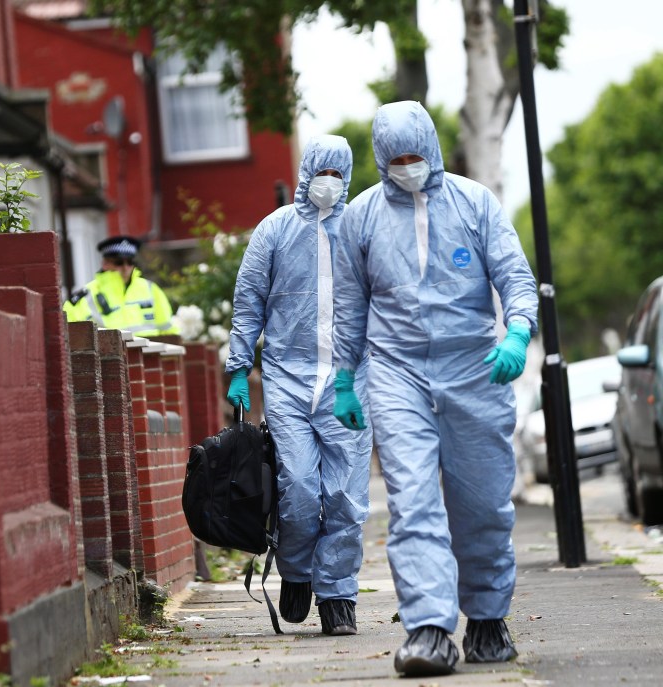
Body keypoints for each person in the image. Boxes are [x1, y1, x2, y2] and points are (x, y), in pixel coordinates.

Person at [332, 101, 539, 677]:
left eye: (414, 156)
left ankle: (489, 617)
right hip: (397, 374)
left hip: (475, 369)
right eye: (394, 159)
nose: (406, 167)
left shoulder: (475, 203)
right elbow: (350, 306)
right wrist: (345, 378)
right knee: (412, 500)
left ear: (432, 149)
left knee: (481, 505)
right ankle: (428, 628)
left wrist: (518, 333)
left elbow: (515, 278)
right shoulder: (361, 217)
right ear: (379, 159)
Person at [225, 135, 373, 636]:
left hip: (348, 381)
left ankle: (337, 595)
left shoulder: (359, 229)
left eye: (337, 172)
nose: (328, 181)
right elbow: (249, 301)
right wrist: (239, 366)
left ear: (347, 176)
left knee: (347, 496)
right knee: (301, 489)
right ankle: (296, 571)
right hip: (288, 380)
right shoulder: (274, 232)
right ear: (307, 172)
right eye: (321, 171)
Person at [64, 235, 178, 337]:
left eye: (130, 262)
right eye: (119, 262)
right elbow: (70, 335)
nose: (125, 268)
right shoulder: (86, 296)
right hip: (107, 359)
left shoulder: (151, 289)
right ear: (105, 264)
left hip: (148, 357)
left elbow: (169, 331)